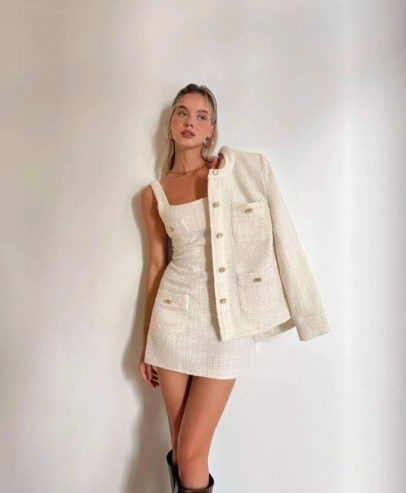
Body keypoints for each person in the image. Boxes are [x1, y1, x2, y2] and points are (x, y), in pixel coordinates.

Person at [138, 83, 330, 492]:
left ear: (212, 130)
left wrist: (307, 312)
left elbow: (282, 236)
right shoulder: (154, 195)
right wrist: (145, 343)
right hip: (172, 322)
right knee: (181, 447)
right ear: (170, 124)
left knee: (191, 452)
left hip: (229, 323)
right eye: (182, 113)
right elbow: (155, 267)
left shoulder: (237, 172)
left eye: (201, 116)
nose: (190, 122)